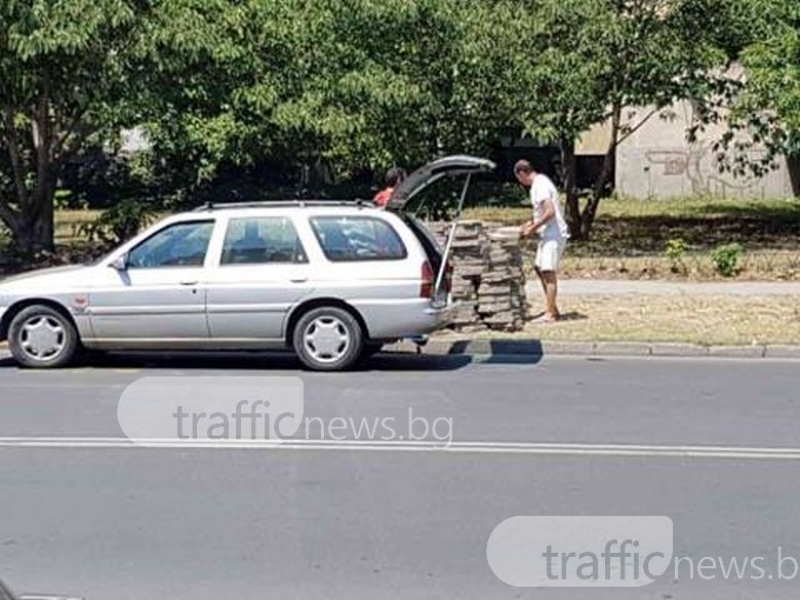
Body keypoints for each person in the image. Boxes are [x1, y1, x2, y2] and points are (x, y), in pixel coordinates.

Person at [514, 159, 569, 322]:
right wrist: (531, 223)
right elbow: (541, 212)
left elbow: (550, 212)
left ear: (522, 173)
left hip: (554, 234)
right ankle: (552, 307)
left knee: (548, 272)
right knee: (539, 268)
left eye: (519, 178)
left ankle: (551, 314)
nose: (520, 182)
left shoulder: (540, 185)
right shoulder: (538, 185)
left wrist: (533, 228)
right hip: (547, 234)